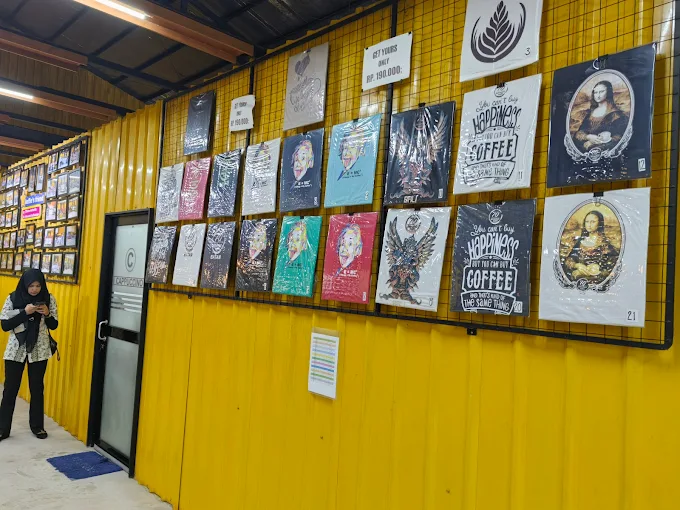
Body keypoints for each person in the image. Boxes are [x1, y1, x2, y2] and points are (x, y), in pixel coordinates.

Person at [0, 269, 58, 441]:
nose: (34, 289)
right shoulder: (13, 298)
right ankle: (2, 429)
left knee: (37, 388)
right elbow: (5, 325)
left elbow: (54, 325)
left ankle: (37, 427)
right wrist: (25, 312)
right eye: (31, 286)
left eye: (38, 286)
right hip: (16, 349)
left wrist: (47, 314)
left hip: (39, 349)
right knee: (10, 389)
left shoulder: (49, 299)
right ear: (25, 284)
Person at [562, 211, 619, 284]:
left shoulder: (604, 244)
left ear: (599, 223)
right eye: (587, 222)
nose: (589, 225)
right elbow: (569, 260)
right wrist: (577, 265)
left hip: (598, 279)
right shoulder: (580, 242)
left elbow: (614, 263)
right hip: (581, 278)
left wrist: (598, 269)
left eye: (593, 222)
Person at [573, 80, 629, 153]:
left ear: (608, 92)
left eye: (601, 92)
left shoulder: (617, 115)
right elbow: (579, 133)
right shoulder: (589, 114)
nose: (598, 95)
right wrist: (588, 137)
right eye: (596, 92)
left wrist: (595, 143)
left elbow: (619, 138)